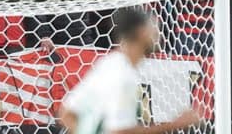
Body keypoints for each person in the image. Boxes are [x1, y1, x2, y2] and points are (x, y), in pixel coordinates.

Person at [59, 7, 199, 134]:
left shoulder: (110, 63)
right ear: (142, 32)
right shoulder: (124, 75)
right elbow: (121, 132)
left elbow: (66, 113)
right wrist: (174, 125)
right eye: (154, 27)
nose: (158, 33)